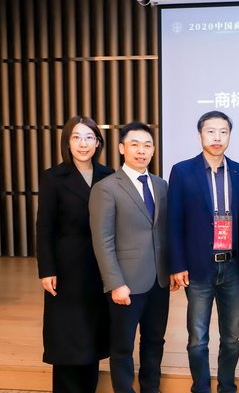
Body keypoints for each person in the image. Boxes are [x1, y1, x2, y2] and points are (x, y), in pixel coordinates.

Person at [168, 111, 239, 393]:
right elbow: (174, 222)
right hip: (198, 268)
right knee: (197, 338)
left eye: (223, 132)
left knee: (232, 338)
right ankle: (200, 387)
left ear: (229, 135)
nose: (217, 137)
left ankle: (227, 386)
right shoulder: (182, 171)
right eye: (211, 131)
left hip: (232, 268)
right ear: (200, 134)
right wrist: (177, 265)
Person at [89, 121, 172, 393]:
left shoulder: (161, 185)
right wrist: (115, 283)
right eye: (135, 145)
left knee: (155, 341)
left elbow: (164, 232)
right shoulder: (106, 188)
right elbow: (102, 240)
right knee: (122, 346)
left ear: (153, 150)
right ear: (122, 148)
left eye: (147, 145)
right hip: (126, 283)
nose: (141, 151)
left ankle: (151, 388)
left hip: (159, 281)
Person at [36, 115, 113, 393]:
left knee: (92, 333)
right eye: (76, 137)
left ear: (98, 143)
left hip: (100, 265)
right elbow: (44, 227)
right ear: (67, 142)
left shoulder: (109, 175)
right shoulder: (53, 177)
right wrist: (47, 269)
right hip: (66, 267)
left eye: (89, 137)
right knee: (67, 335)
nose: (83, 144)